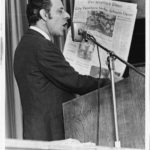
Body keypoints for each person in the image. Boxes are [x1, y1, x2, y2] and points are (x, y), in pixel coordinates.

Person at [14, 0, 110, 141]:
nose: (67, 15)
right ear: (44, 15)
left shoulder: (26, 44)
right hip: (51, 137)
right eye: (60, 11)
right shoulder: (41, 46)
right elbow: (75, 82)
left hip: (40, 136)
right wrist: (110, 83)